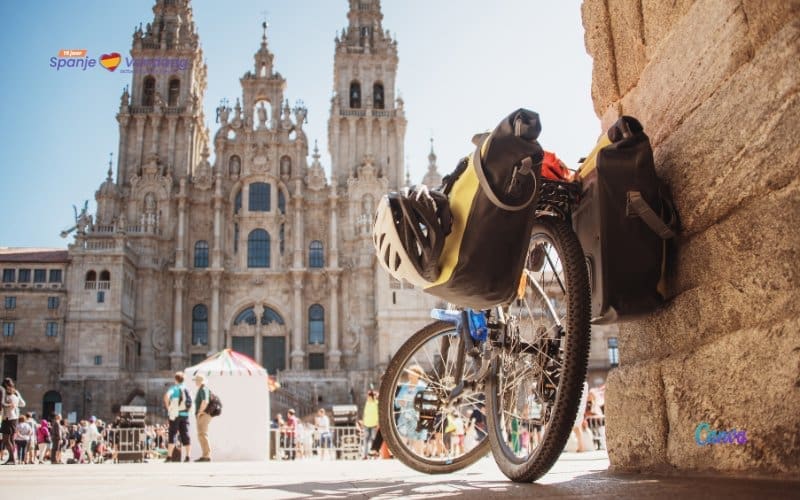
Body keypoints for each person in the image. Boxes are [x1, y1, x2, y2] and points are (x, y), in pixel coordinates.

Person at [163, 371, 191, 462]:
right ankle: (187, 456)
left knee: (173, 434)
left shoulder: (174, 388)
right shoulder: (187, 389)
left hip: (175, 415)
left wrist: (168, 408)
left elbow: (166, 397)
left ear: (176, 379)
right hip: (185, 414)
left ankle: (169, 457)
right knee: (185, 434)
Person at [1, 377, 26, 464]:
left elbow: (3, 405)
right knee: (10, 440)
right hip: (13, 418)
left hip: (9, 418)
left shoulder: (7, 394)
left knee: (6, 440)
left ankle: (12, 459)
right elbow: (22, 404)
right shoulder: (15, 393)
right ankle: (12, 458)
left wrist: (11, 405)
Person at [193, 374, 212, 462]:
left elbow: (205, 401)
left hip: (204, 414)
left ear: (200, 381)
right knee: (201, 434)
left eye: (196, 380)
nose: (195, 382)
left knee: (202, 434)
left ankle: (207, 455)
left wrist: (200, 412)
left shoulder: (203, 389)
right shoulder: (204, 389)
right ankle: (205, 454)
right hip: (205, 414)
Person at [361, 391, 378, 459]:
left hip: (374, 424)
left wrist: (378, 423)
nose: (367, 397)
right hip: (366, 424)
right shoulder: (367, 403)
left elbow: (378, 414)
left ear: (371, 396)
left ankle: (374, 455)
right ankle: (365, 455)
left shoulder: (376, 403)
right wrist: (363, 422)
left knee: (373, 439)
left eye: (368, 396)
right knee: (366, 440)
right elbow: (365, 413)